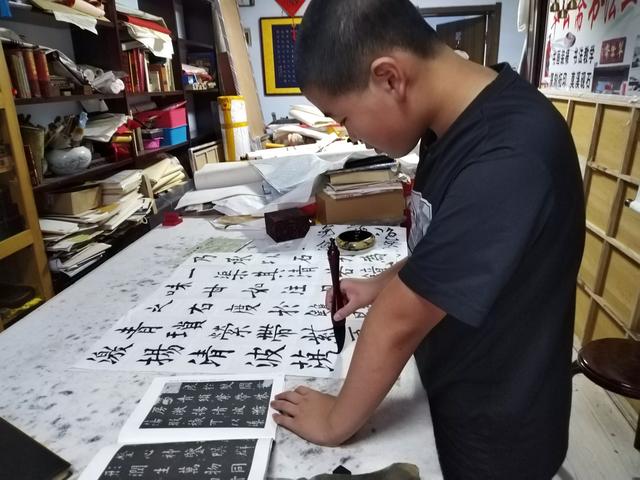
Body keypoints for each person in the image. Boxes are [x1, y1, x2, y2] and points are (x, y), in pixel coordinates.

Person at [270, 1, 586, 478]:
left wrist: (335, 420)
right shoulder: (448, 126)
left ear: (389, 78)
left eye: (344, 118)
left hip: (495, 432)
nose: (352, 136)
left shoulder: (510, 152)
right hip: (449, 387)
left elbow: (400, 318)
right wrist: (378, 284)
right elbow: (445, 249)